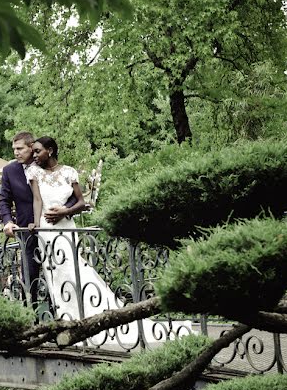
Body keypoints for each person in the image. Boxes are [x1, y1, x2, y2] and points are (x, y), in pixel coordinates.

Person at [26, 136, 191, 348]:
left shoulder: (69, 172)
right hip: (46, 229)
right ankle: (66, 322)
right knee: (55, 275)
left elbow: (82, 203)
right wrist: (36, 224)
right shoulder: (34, 172)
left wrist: (65, 212)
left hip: (66, 226)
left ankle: (88, 321)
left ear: (49, 150)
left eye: (38, 151)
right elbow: (37, 200)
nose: (35, 155)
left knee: (73, 271)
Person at [0, 131, 75, 305]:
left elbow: (70, 195)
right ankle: (31, 317)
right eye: (14, 149)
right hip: (28, 229)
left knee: (61, 272)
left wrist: (64, 210)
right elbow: (4, 200)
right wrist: (8, 221)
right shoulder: (9, 171)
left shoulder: (45, 164)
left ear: (31, 147)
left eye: (20, 149)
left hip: (54, 227)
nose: (16, 153)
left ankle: (63, 311)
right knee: (30, 275)